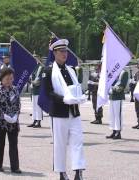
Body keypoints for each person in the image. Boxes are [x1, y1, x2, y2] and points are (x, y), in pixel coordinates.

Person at [42, 39, 86, 180]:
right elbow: (48, 92)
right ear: (54, 53)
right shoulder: (48, 70)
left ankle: (78, 171)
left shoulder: (71, 69)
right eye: (61, 51)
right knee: (60, 144)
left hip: (74, 111)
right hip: (59, 113)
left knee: (77, 142)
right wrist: (63, 99)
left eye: (65, 51)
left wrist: (80, 96)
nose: (64, 54)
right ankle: (62, 172)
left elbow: (76, 87)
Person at [0, 67, 22, 174]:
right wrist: (3, 115)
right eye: (7, 78)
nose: (10, 81)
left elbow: (18, 104)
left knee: (13, 145)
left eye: (11, 78)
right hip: (1, 122)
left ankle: (15, 167)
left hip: (13, 122)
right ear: (2, 78)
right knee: (0, 144)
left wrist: (15, 115)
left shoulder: (15, 89)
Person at [106, 69, 128, 140]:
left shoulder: (124, 72)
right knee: (112, 115)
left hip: (118, 96)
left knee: (117, 115)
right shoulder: (113, 71)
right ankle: (114, 130)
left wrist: (111, 87)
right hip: (112, 96)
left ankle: (118, 132)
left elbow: (121, 87)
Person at [28, 64, 44, 128]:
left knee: (38, 107)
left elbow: (38, 81)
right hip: (34, 90)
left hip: (38, 90)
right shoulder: (34, 67)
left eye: (36, 57)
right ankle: (34, 121)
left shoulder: (41, 67)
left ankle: (39, 122)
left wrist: (31, 81)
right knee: (34, 106)